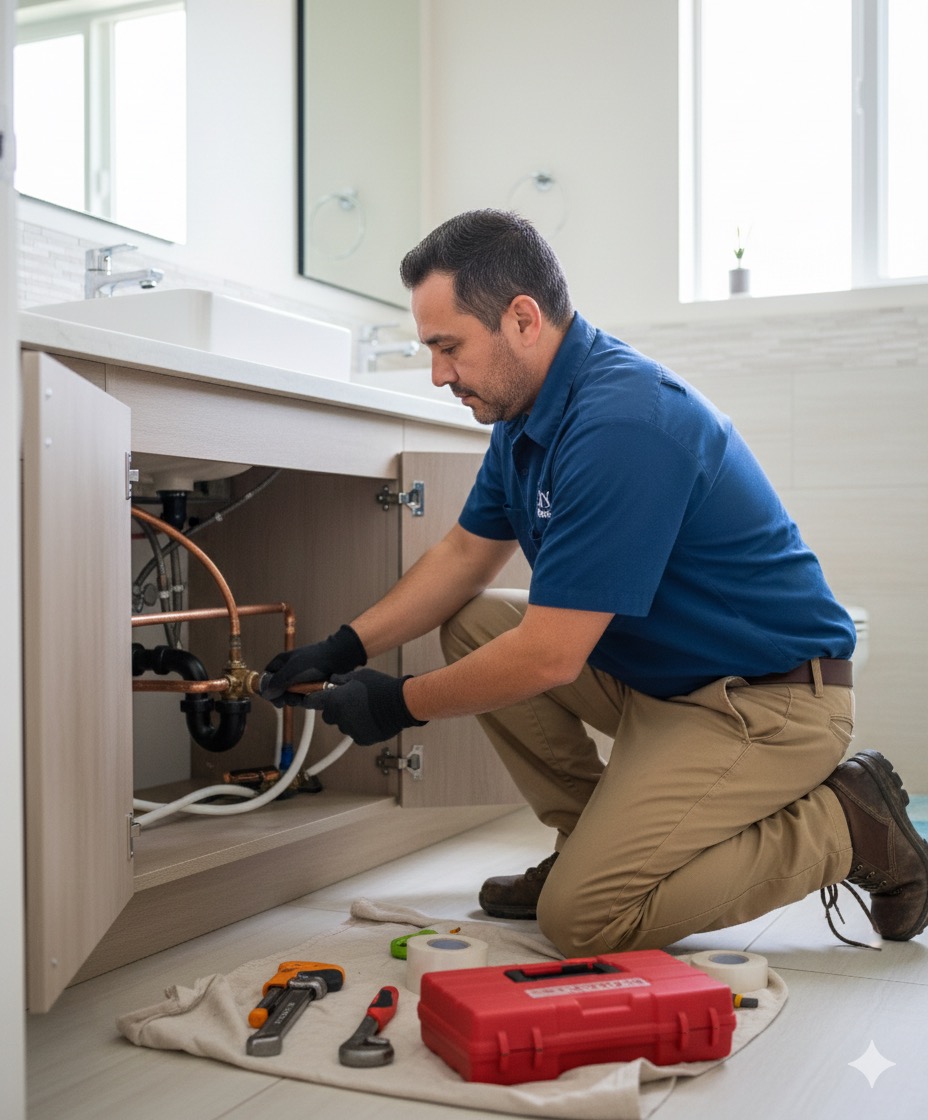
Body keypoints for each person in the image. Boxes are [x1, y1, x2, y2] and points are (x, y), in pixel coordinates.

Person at [261, 209, 928, 957]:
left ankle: (847, 825)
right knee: (476, 621)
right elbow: (461, 558)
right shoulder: (524, 411)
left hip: (770, 702)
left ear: (521, 318)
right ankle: (587, 846)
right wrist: (344, 645)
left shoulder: (623, 423)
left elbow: (549, 658)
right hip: (669, 687)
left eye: (449, 347)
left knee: (584, 922)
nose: (439, 373)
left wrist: (400, 704)